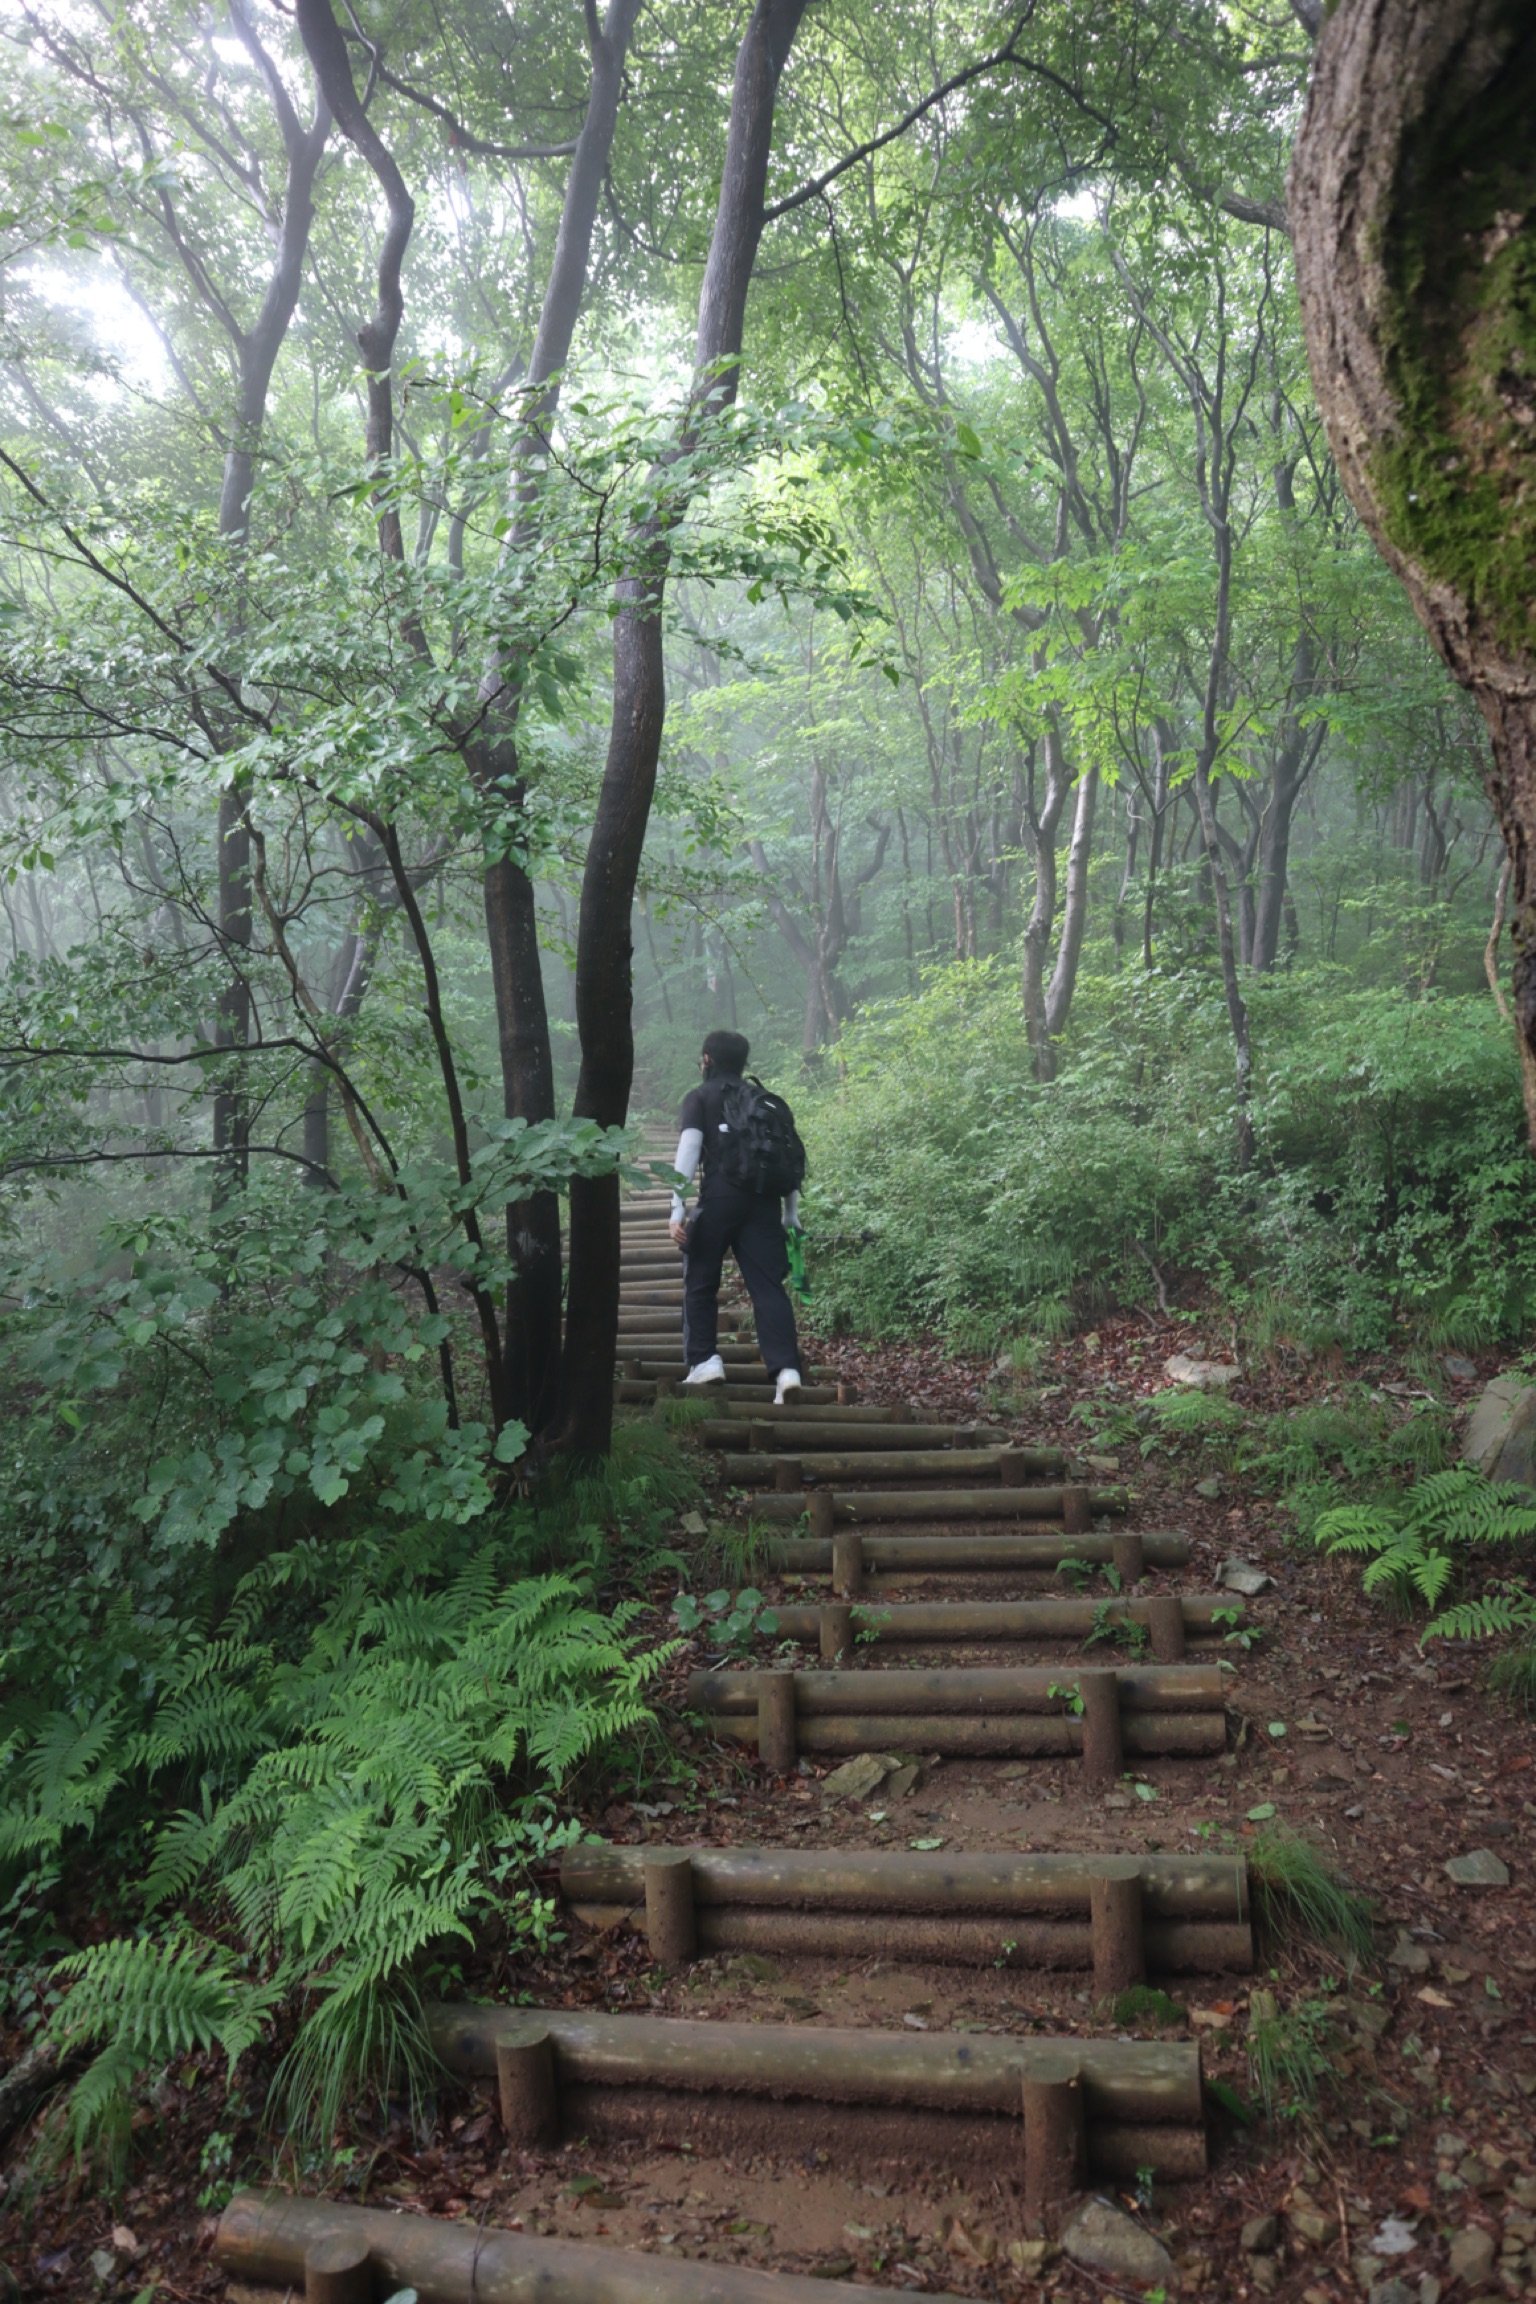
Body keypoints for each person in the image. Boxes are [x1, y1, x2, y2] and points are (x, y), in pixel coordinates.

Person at [668, 1030, 806, 1404]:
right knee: (769, 1288)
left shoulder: (699, 1097)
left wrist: (677, 1208)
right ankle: (787, 1372)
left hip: (718, 1200)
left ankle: (705, 1362)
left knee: (700, 1280)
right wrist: (790, 1214)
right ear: (743, 1063)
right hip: (764, 1205)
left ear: (707, 1060)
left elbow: (689, 1149)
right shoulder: (763, 1100)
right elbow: (787, 1157)